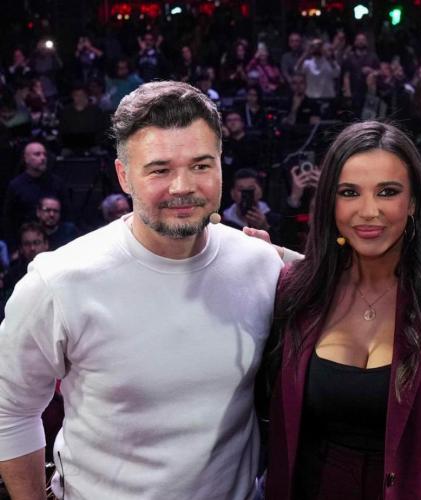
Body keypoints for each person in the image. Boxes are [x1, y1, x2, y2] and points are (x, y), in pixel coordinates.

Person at [0, 81, 283, 499]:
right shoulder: (59, 280)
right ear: (124, 176)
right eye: (160, 169)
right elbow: (10, 412)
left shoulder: (262, 265)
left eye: (201, 165)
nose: (182, 186)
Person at [262, 121, 421, 500]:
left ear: (414, 202)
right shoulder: (295, 289)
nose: (368, 211)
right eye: (349, 193)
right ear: (330, 203)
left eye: (387, 192)